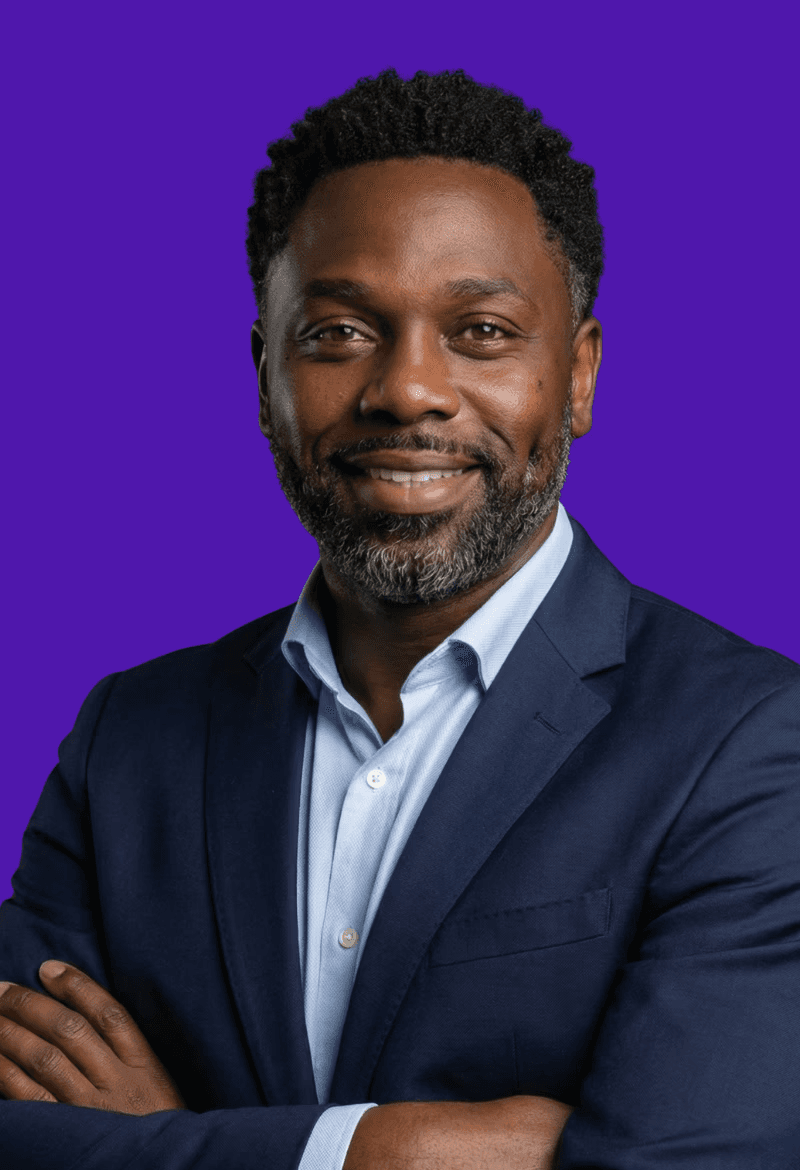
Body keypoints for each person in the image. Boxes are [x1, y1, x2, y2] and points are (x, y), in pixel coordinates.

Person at [1, 67, 799, 1170]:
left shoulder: (752, 745)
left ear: (576, 376)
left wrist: (167, 1146)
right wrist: (393, 1152)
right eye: (336, 332)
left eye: (478, 330)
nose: (407, 390)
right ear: (264, 372)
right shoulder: (128, 737)